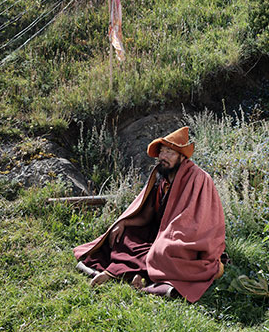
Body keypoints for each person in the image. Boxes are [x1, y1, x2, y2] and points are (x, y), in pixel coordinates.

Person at [73, 126, 225, 302]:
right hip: (157, 232)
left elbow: (197, 222)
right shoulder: (162, 178)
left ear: (182, 157)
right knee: (123, 236)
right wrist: (123, 223)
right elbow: (147, 215)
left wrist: (166, 238)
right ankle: (138, 274)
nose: (162, 157)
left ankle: (121, 273)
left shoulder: (198, 179)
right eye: (162, 151)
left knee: (161, 251)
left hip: (185, 237)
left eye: (169, 152)